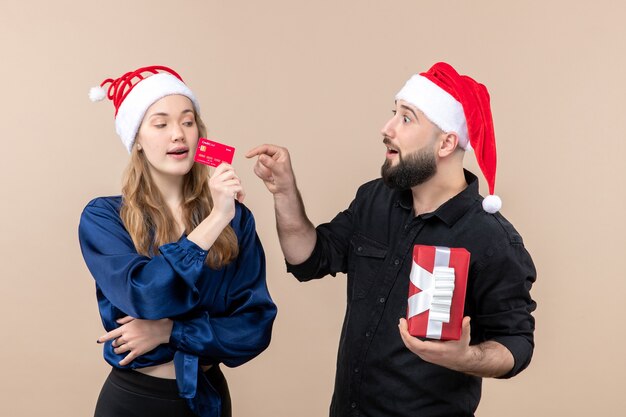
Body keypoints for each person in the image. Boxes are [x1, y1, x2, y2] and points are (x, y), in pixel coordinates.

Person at [246, 62, 536, 417]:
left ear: (446, 142)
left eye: (406, 118)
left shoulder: (490, 238)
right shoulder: (374, 200)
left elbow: (516, 343)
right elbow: (309, 259)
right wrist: (284, 191)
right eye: (393, 113)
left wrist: (466, 357)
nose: (387, 129)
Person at [79, 65, 276, 417]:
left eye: (188, 122)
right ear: (136, 139)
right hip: (135, 402)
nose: (178, 135)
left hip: (208, 399)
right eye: (161, 123)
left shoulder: (237, 218)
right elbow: (144, 294)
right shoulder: (104, 218)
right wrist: (214, 220)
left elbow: (254, 328)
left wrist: (170, 331)